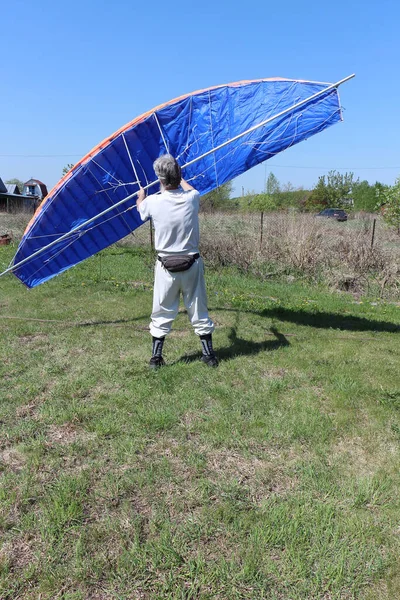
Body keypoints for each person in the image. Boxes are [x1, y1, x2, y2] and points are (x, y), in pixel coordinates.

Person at [137, 154, 218, 369]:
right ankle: (208, 356)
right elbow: (189, 189)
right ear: (178, 175)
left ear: (160, 179)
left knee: (162, 311)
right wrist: (179, 175)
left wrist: (141, 196)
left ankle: (156, 358)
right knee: (198, 309)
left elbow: (140, 210)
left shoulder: (152, 202)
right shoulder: (192, 198)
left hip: (165, 267)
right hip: (192, 264)